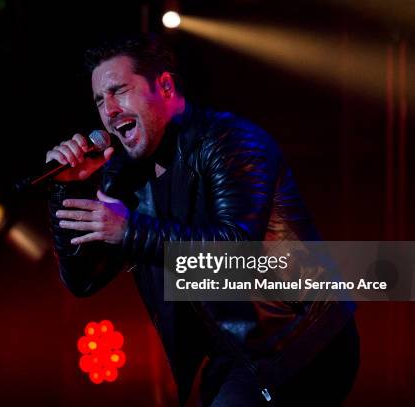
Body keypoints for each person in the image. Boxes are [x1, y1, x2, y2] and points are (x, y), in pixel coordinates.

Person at [46, 34, 359, 406]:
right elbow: (83, 280)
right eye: (100, 99)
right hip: (232, 359)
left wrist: (131, 230)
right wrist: (69, 190)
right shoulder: (124, 177)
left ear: (164, 86)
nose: (108, 111)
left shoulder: (232, 142)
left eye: (119, 91)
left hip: (301, 340)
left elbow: (236, 252)